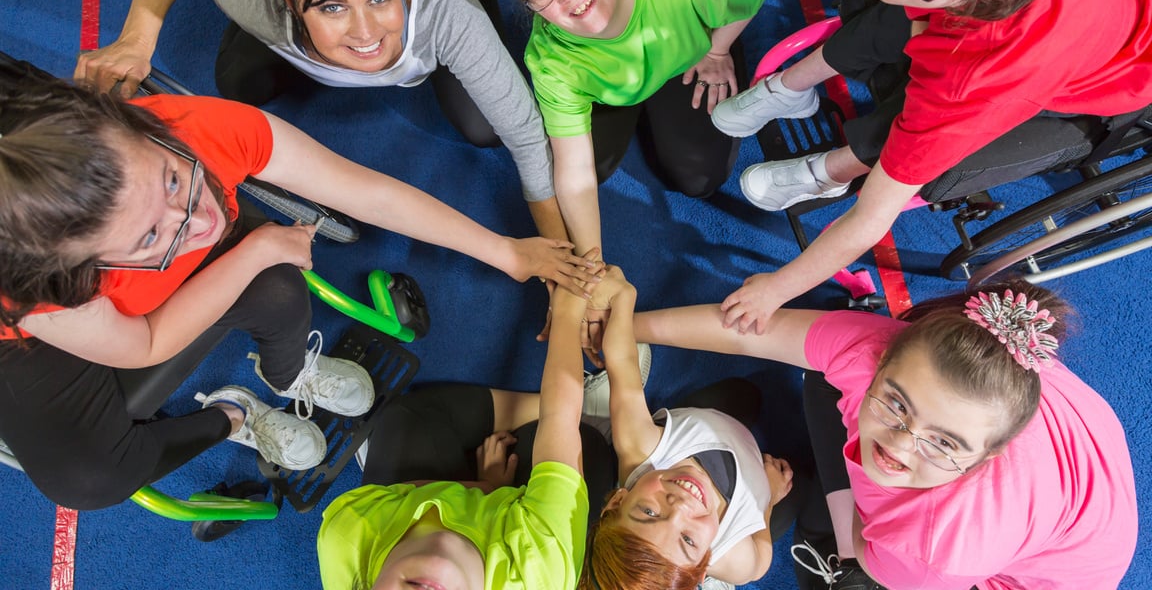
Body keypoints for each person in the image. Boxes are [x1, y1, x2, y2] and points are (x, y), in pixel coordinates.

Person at [0, 57, 600, 511]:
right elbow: (143, 344)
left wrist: (505, 252)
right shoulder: (41, 281)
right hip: (48, 344)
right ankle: (236, 417)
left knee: (282, 286)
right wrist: (257, 245)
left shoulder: (198, 129)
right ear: (78, 269)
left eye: (173, 180)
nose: (202, 219)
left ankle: (287, 372)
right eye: (151, 239)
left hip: (126, 306)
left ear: (135, 125)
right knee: (90, 480)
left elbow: (365, 190)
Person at [710, 0, 1152, 333]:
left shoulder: (981, 71)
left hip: (1103, 72)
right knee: (891, 3)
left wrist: (777, 289)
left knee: (918, 128)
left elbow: (872, 219)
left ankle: (834, 171)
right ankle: (791, 88)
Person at [72, 0, 568, 241]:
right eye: (332, 6)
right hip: (287, 1)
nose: (365, 32)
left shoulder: (445, 8)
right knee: (239, 82)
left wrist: (565, 272)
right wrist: (136, 39)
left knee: (485, 128)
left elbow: (525, 135)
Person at [631, 283, 1139, 590]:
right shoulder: (877, 349)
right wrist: (627, 326)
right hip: (1079, 462)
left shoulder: (939, 546)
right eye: (895, 404)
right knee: (818, 382)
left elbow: (867, 551)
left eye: (942, 442)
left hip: (1055, 565)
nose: (898, 444)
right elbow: (747, 330)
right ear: (882, 359)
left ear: (987, 457)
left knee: (849, 551)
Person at [492, 0, 767, 278]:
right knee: (576, 174)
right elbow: (575, 171)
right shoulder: (551, 57)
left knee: (699, 177)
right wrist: (592, 269)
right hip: (611, 93)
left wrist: (718, 50)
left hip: (683, 62)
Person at [316, 263, 600, 590]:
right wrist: (569, 307)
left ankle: (482, 479)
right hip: (518, 531)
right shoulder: (541, 571)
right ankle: (588, 409)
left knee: (402, 418)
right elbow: (559, 418)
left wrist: (481, 487)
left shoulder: (347, 535)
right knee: (587, 445)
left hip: (409, 506)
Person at [578, 266, 794, 590]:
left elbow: (623, 365)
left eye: (649, 512)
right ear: (706, 563)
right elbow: (761, 563)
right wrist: (770, 502)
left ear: (618, 501)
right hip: (749, 476)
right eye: (689, 541)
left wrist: (623, 297)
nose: (679, 507)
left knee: (744, 394)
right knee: (796, 488)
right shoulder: (734, 558)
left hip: (709, 422)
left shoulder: (639, 447)